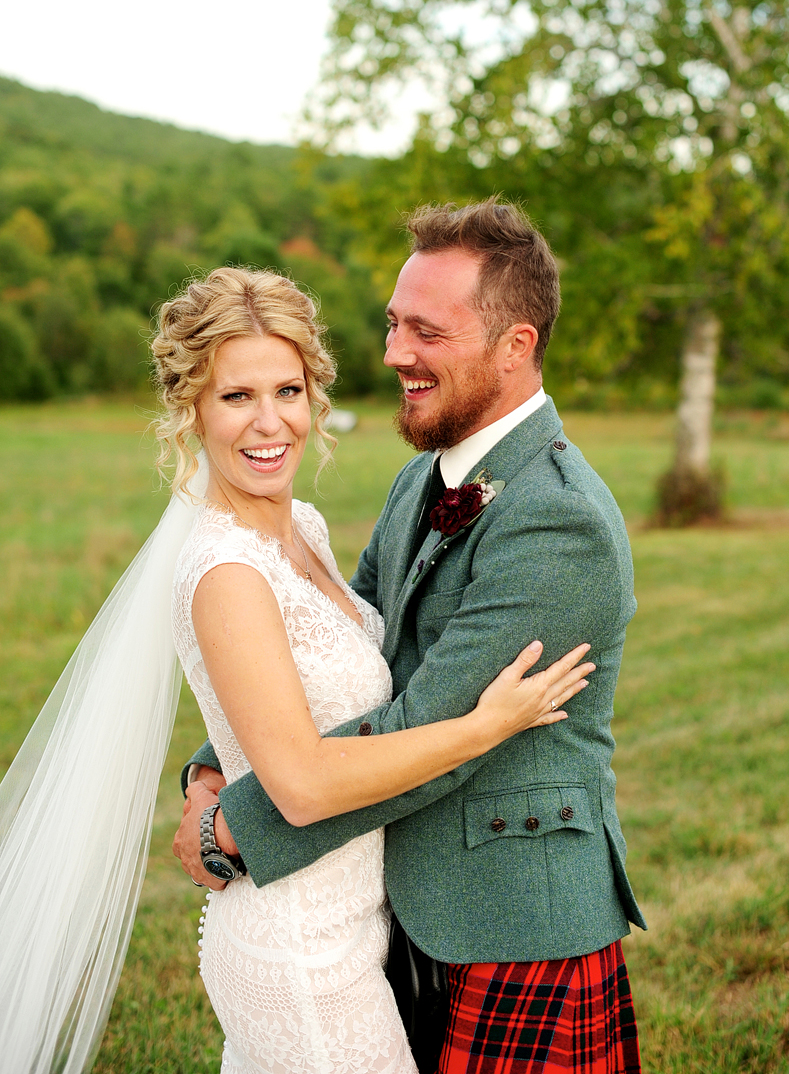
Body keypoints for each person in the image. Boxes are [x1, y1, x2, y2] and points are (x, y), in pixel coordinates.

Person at [0, 265, 590, 1074]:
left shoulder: (301, 529)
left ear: (315, 394)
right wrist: (483, 725)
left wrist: (210, 777)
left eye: (287, 389)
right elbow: (303, 784)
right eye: (236, 397)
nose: (267, 422)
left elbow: (311, 684)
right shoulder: (226, 571)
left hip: (355, 926)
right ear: (191, 410)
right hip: (299, 947)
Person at [177, 199, 647, 1074]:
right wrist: (218, 760)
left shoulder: (561, 522)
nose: (394, 353)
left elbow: (437, 730)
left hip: (515, 927)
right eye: (396, 325)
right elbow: (340, 645)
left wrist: (234, 825)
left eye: (426, 332)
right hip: (406, 914)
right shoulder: (419, 479)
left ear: (516, 346)